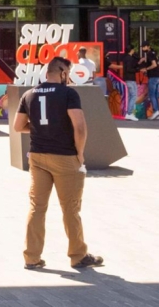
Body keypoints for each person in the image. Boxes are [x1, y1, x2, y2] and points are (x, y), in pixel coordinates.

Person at [14, 56, 104, 271]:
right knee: (70, 208)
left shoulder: (29, 94)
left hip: (37, 156)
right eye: (69, 73)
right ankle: (78, 255)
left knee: (37, 207)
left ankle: (31, 257)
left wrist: (39, 130)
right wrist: (80, 154)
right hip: (64, 157)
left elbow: (18, 126)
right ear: (63, 72)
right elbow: (80, 127)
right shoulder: (68, 94)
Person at [141, 44, 159, 119]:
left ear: (148, 46)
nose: (142, 48)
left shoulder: (149, 54)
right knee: (156, 94)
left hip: (153, 76)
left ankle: (156, 110)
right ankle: (158, 111)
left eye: (144, 46)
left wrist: (146, 69)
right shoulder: (153, 53)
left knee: (152, 94)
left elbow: (154, 65)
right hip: (158, 76)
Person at [120, 47, 140, 120]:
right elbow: (129, 69)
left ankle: (129, 113)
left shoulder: (125, 58)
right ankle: (129, 113)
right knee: (133, 95)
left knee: (131, 96)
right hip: (131, 79)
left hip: (128, 79)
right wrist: (137, 69)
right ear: (131, 50)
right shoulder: (130, 59)